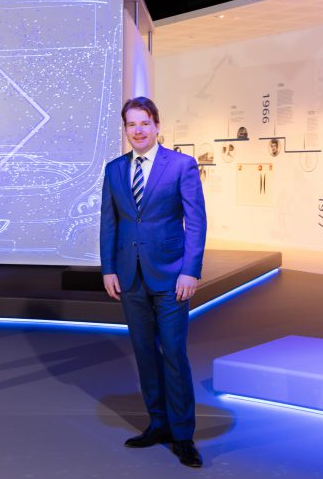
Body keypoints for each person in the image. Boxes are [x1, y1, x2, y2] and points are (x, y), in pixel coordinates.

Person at [99, 97, 207, 468]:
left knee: (173, 353)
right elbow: (109, 222)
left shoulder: (181, 165)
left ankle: (183, 434)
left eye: (144, 123)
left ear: (157, 125)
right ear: (125, 129)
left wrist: (190, 270)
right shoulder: (114, 169)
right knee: (144, 352)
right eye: (131, 124)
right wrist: (108, 269)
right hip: (130, 277)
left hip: (172, 276)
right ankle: (158, 423)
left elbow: (196, 222)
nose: (138, 130)